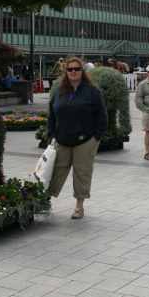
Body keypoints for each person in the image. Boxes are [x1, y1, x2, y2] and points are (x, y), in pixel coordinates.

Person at [47, 57, 107, 220]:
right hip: (62, 140)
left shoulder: (92, 92)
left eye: (76, 69)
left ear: (82, 71)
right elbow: (52, 115)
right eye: (70, 69)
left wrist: (96, 138)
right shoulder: (59, 91)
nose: (73, 72)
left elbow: (102, 116)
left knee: (82, 173)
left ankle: (79, 206)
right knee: (55, 171)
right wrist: (51, 135)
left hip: (85, 141)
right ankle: (45, 201)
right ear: (66, 72)